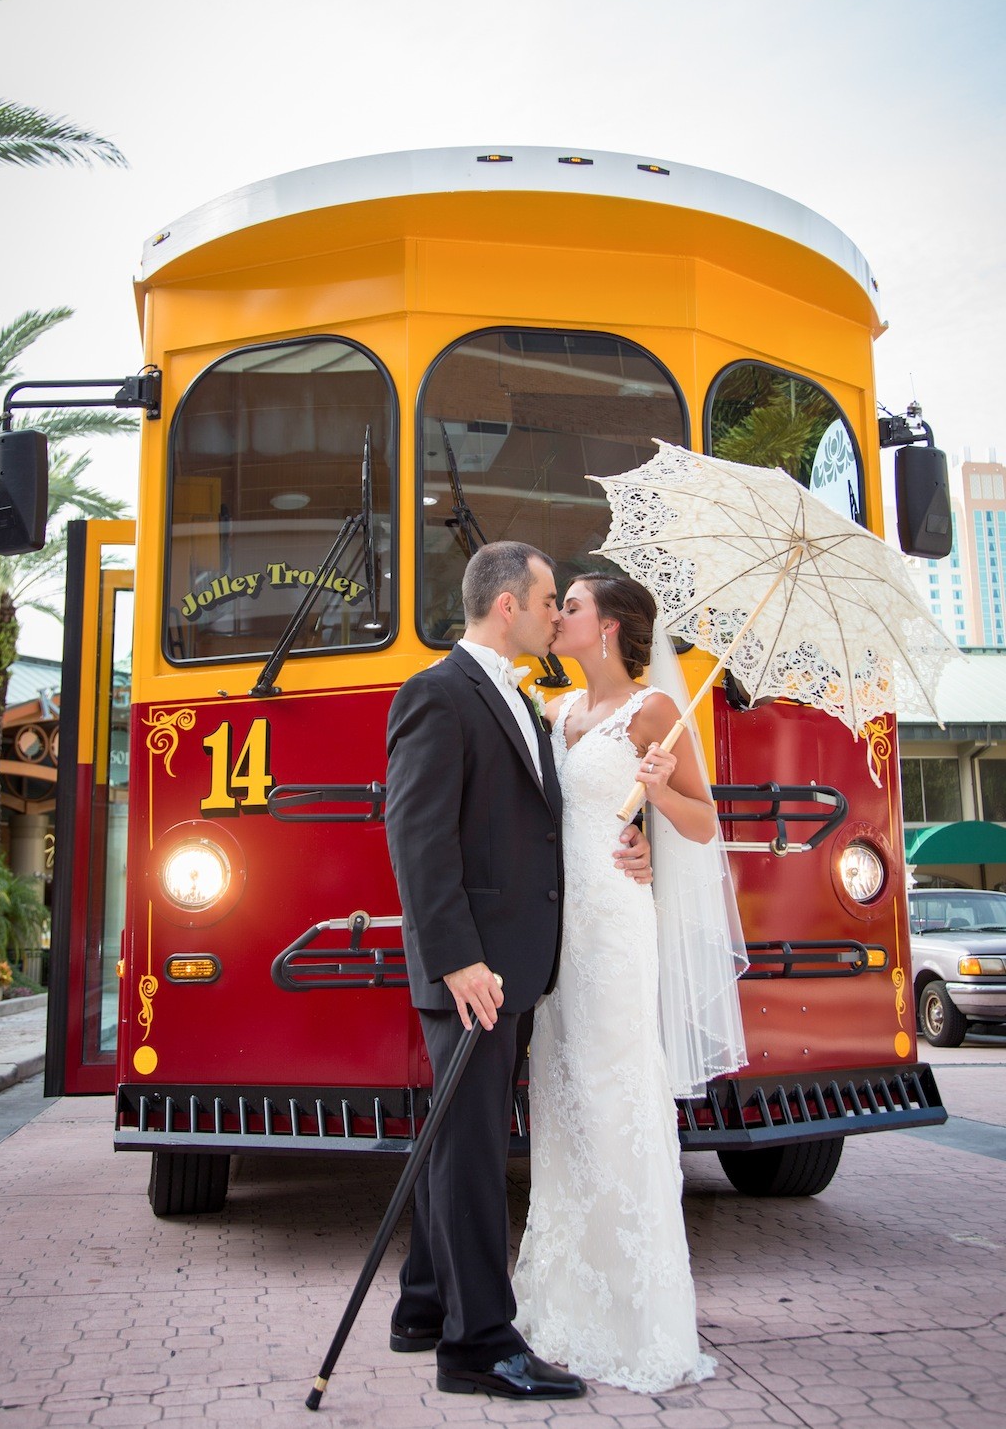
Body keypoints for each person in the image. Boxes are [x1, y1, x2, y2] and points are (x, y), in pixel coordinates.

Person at [384, 542, 653, 1401]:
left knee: (459, 1137)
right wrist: (458, 957)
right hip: (474, 969)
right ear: (508, 607)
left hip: (519, 963)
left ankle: (424, 1305)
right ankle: (477, 1348)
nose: (553, 616)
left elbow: (541, 829)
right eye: (546, 602)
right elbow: (416, 838)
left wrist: (635, 844)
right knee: (469, 1151)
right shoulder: (437, 693)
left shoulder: (529, 703)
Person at [513, 572, 747, 1394]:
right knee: (565, 1103)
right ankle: (566, 1305)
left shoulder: (651, 711)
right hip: (557, 936)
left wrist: (654, 791)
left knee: (617, 1102)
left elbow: (704, 818)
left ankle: (638, 1317)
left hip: (614, 928)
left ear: (607, 628)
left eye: (569, 606)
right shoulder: (553, 712)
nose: (558, 615)